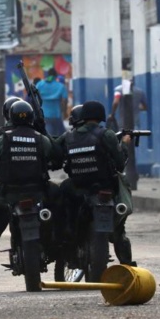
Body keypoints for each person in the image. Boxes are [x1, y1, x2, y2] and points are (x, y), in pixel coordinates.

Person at [0, 101, 60, 294]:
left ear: (8, 116)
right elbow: (57, 158)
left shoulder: (3, 137)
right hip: (37, 193)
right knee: (61, 199)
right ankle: (63, 238)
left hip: (7, 194)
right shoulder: (40, 138)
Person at [57, 100, 136, 268]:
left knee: (62, 199)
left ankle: (68, 231)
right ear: (100, 116)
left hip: (77, 187)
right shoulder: (105, 134)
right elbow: (120, 163)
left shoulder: (68, 136)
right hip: (104, 187)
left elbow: (54, 155)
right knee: (119, 228)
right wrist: (124, 144)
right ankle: (127, 264)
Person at [35, 68, 68, 137]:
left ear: (48, 75)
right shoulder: (61, 86)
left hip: (44, 115)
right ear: (56, 76)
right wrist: (64, 113)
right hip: (56, 115)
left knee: (47, 135)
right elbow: (64, 101)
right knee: (60, 135)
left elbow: (34, 98)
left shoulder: (39, 84)